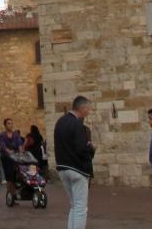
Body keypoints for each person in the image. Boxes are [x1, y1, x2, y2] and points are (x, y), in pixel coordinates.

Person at [54, 96, 94, 229]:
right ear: (81, 108)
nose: (88, 112)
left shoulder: (60, 122)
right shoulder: (77, 125)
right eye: (87, 109)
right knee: (80, 208)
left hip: (62, 167)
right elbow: (81, 149)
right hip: (77, 169)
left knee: (74, 205)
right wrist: (91, 148)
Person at [0, 119, 24, 199]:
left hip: (15, 158)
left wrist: (21, 152)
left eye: (12, 123)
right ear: (5, 125)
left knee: (15, 175)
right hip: (6, 158)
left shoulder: (16, 135)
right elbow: (3, 146)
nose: (11, 125)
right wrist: (8, 151)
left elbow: (19, 144)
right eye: (9, 123)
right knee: (9, 176)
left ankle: (14, 193)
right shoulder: (2, 135)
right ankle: (10, 194)